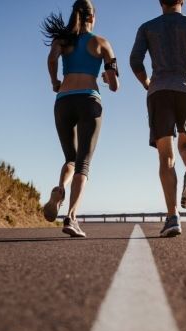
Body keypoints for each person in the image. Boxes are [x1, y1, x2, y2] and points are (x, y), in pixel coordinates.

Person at [130, 0, 186, 237]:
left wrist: (147, 82)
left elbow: (135, 61)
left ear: (160, 2)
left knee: (166, 156)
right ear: (182, 0)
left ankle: (173, 217)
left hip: (160, 91)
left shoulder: (147, 27)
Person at [41, 0, 119, 237]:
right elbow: (115, 85)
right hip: (89, 101)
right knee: (83, 163)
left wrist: (54, 81)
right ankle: (72, 216)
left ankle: (60, 190)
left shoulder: (62, 40)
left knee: (70, 158)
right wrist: (106, 78)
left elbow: (52, 58)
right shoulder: (101, 43)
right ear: (92, 17)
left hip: (63, 101)